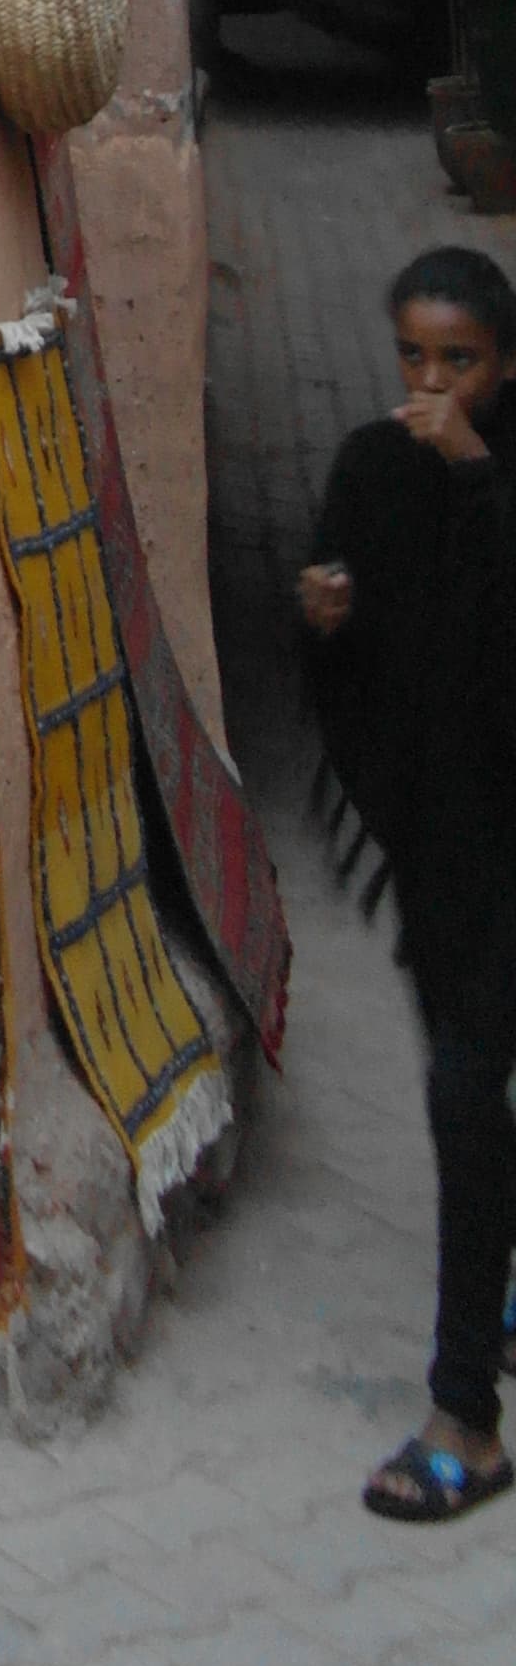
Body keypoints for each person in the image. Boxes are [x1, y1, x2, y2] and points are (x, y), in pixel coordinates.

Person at [300, 241, 516, 1522]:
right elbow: (364, 642)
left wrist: (478, 480)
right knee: (468, 1080)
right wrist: (325, 615)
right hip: (447, 843)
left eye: (462, 363)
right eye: (414, 359)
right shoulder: (372, 467)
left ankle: (462, 1419)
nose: (431, 387)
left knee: (458, 1090)